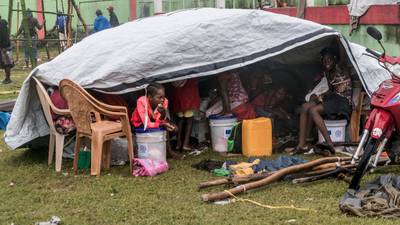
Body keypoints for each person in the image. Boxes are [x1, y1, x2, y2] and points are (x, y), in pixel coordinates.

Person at [291, 47, 352, 156]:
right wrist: (321, 96)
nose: (326, 62)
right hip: (333, 98)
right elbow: (331, 90)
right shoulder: (327, 72)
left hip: (342, 101)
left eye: (329, 59)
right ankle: (301, 145)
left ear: (334, 58)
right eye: (324, 60)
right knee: (305, 107)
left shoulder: (341, 67)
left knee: (314, 111)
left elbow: (342, 54)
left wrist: (337, 40)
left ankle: (330, 145)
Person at [131, 83, 181, 158]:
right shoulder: (141, 101)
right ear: (150, 97)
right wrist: (162, 124)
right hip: (140, 124)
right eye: (159, 97)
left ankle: (167, 150)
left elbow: (159, 119)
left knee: (174, 128)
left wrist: (163, 113)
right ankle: (167, 151)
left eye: (163, 97)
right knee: (163, 127)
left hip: (154, 122)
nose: (162, 100)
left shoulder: (165, 101)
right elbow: (146, 124)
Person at [170, 79, 200, 151]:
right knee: (189, 120)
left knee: (180, 119)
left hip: (178, 96)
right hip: (188, 96)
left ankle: (178, 144)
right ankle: (185, 144)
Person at [0, 18, 14, 84]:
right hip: (6, 46)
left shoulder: (1, 26)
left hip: (5, 47)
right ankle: (7, 78)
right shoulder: (3, 25)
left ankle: (8, 79)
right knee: (6, 64)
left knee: (7, 64)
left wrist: (3, 47)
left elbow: (2, 37)